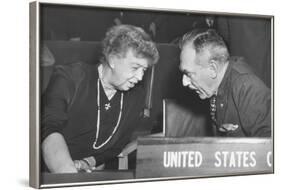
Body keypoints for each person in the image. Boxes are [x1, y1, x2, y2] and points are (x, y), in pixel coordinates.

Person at [41, 24, 159, 173]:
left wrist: (88, 162)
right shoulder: (69, 78)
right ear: (112, 59)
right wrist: (69, 174)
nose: (140, 77)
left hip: (94, 170)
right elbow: (48, 128)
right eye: (135, 68)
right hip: (55, 169)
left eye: (144, 70)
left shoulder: (136, 96)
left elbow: (118, 145)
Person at [178, 28, 271, 137]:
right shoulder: (213, 85)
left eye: (188, 74)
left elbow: (271, 147)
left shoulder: (247, 87)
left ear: (213, 69)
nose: (184, 82)